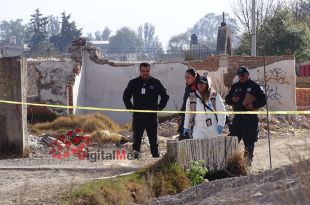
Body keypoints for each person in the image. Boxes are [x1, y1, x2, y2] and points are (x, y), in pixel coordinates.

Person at [123, 62, 169, 158]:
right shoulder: (133, 83)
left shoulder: (156, 82)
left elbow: (165, 96)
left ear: (150, 71)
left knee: (153, 141)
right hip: (138, 117)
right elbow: (126, 96)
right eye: (143, 71)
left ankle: (155, 159)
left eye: (147, 71)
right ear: (140, 71)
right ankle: (135, 161)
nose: (145, 73)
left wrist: (159, 107)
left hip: (151, 117)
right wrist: (130, 108)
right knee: (136, 140)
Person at [225, 66, 266, 165]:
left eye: (243, 75)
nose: (241, 77)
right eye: (240, 76)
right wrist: (232, 100)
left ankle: (247, 165)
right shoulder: (235, 86)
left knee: (249, 143)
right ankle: (231, 164)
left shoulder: (255, 86)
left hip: (250, 119)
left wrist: (254, 105)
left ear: (248, 75)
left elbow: (263, 99)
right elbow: (227, 99)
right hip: (238, 119)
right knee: (232, 141)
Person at [178, 68, 200, 140]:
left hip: (196, 119)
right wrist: (181, 115)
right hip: (186, 116)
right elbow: (185, 103)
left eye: (188, 77)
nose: (186, 79)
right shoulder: (188, 87)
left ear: (194, 77)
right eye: (185, 77)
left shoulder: (199, 87)